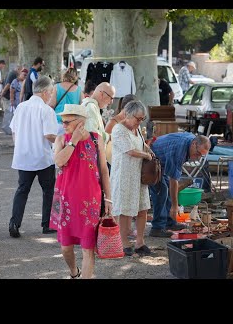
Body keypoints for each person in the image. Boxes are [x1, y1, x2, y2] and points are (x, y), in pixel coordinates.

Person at [50, 104, 112, 279]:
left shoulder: (96, 139)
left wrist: (108, 198)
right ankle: (73, 272)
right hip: (66, 200)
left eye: (67, 121)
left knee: (88, 248)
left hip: (90, 200)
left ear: (80, 122)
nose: (63, 124)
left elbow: (104, 170)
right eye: (62, 121)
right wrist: (73, 140)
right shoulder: (61, 139)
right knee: (65, 247)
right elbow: (59, 161)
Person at [9, 76, 57, 238]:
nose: (51, 96)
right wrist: (63, 141)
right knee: (48, 190)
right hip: (42, 156)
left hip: (23, 155)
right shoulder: (46, 110)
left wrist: (19, 146)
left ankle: (14, 222)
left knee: (22, 190)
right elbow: (50, 134)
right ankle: (47, 224)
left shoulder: (21, 107)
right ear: (44, 92)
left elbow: (14, 131)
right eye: (50, 92)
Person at [110, 101, 152, 256]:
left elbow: (141, 145)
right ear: (127, 114)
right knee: (124, 209)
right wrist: (146, 154)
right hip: (124, 175)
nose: (139, 122)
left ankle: (140, 242)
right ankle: (124, 242)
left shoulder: (138, 129)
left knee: (143, 207)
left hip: (139, 175)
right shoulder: (118, 129)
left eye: (142, 119)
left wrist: (148, 149)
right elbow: (130, 151)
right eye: (138, 118)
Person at [149, 133, 210, 237]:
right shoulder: (179, 150)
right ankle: (157, 228)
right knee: (161, 191)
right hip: (152, 159)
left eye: (201, 156)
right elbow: (173, 179)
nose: (198, 158)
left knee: (167, 189)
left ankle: (169, 222)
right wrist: (174, 205)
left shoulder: (192, 141)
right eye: (198, 153)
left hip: (162, 159)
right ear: (194, 144)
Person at [49, 67, 84, 135]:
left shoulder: (56, 87)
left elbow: (52, 105)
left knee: (57, 143)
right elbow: (82, 108)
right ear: (75, 77)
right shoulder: (79, 90)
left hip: (58, 121)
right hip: (72, 123)